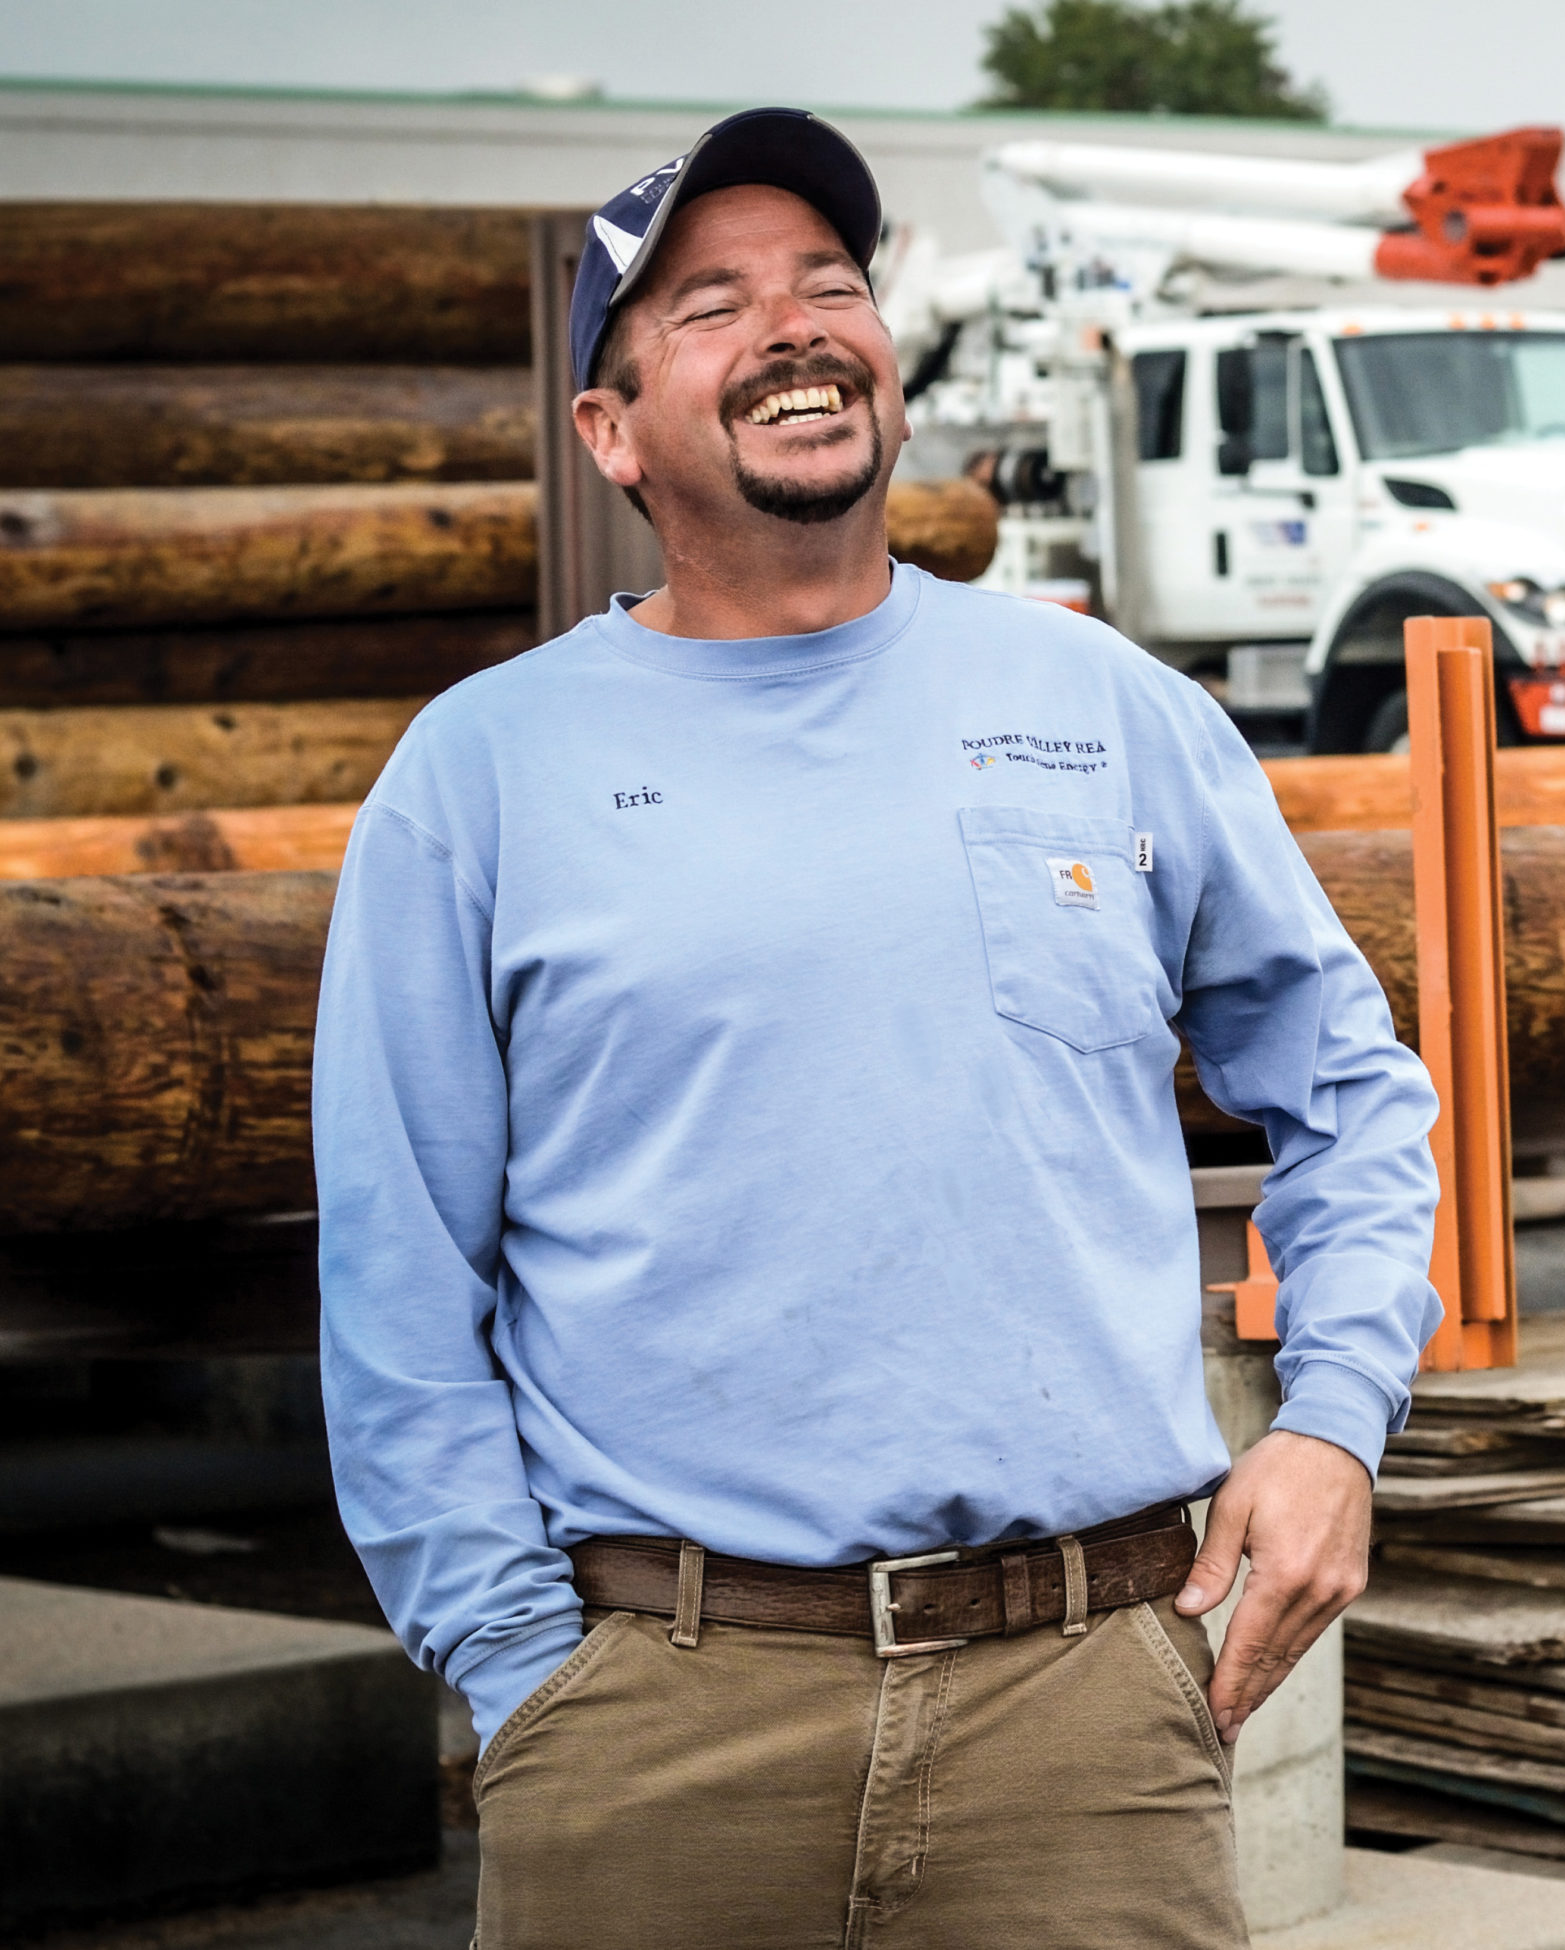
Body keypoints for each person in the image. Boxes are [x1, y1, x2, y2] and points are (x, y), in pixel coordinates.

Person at [312, 106, 1440, 1949]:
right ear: (608, 428)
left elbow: (1348, 1088)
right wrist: (528, 1678)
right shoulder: (481, 778)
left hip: (1081, 1715)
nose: (795, 324)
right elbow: (398, 1273)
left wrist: (1336, 1420)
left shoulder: (1105, 708)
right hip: (657, 1722)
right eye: (711, 303)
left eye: (831, 281)